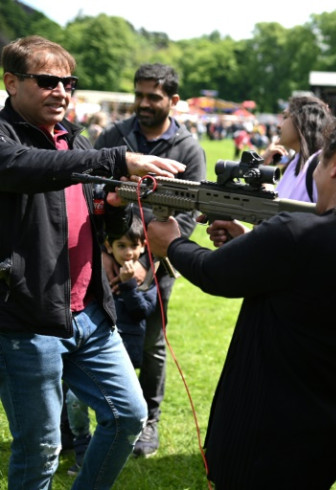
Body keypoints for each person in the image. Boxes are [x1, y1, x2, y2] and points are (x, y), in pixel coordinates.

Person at [145, 91, 336, 488]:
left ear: (335, 162)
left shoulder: (294, 233)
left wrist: (172, 244)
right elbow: (306, 276)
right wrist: (247, 242)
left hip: (268, 424)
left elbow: (215, 274)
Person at [0, 35, 185, 489]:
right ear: (10, 82)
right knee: (41, 449)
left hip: (90, 314)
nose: (61, 92)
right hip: (27, 319)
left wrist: (120, 200)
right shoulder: (6, 139)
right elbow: (24, 167)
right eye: (47, 81)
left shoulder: (73, 138)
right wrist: (118, 159)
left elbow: (98, 213)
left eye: (69, 83)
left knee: (128, 417)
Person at [94, 62, 207, 458]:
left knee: (152, 346)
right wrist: (106, 256)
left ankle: (149, 422)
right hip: (108, 261)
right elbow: (91, 190)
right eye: (138, 94)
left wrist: (151, 261)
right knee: (102, 338)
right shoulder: (115, 136)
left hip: (158, 266)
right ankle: (106, 418)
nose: (142, 103)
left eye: (152, 97)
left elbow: (190, 216)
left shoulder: (188, 148)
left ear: (173, 101)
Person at [65, 214, 159, 474]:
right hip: (94, 348)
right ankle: (82, 445)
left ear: (143, 247)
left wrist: (129, 286)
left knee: (117, 406)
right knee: (75, 399)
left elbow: (143, 312)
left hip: (127, 354)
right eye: (121, 245)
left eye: (133, 246)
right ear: (108, 246)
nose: (128, 252)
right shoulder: (99, 270)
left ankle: (111, 446)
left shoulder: (146, 277)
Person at [262, 95, 332, 202]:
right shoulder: (295, 163)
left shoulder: (322, 167)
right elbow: (278, 206)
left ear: (301, 121)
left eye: (285, 117)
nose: (279, 126)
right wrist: (262, 165)